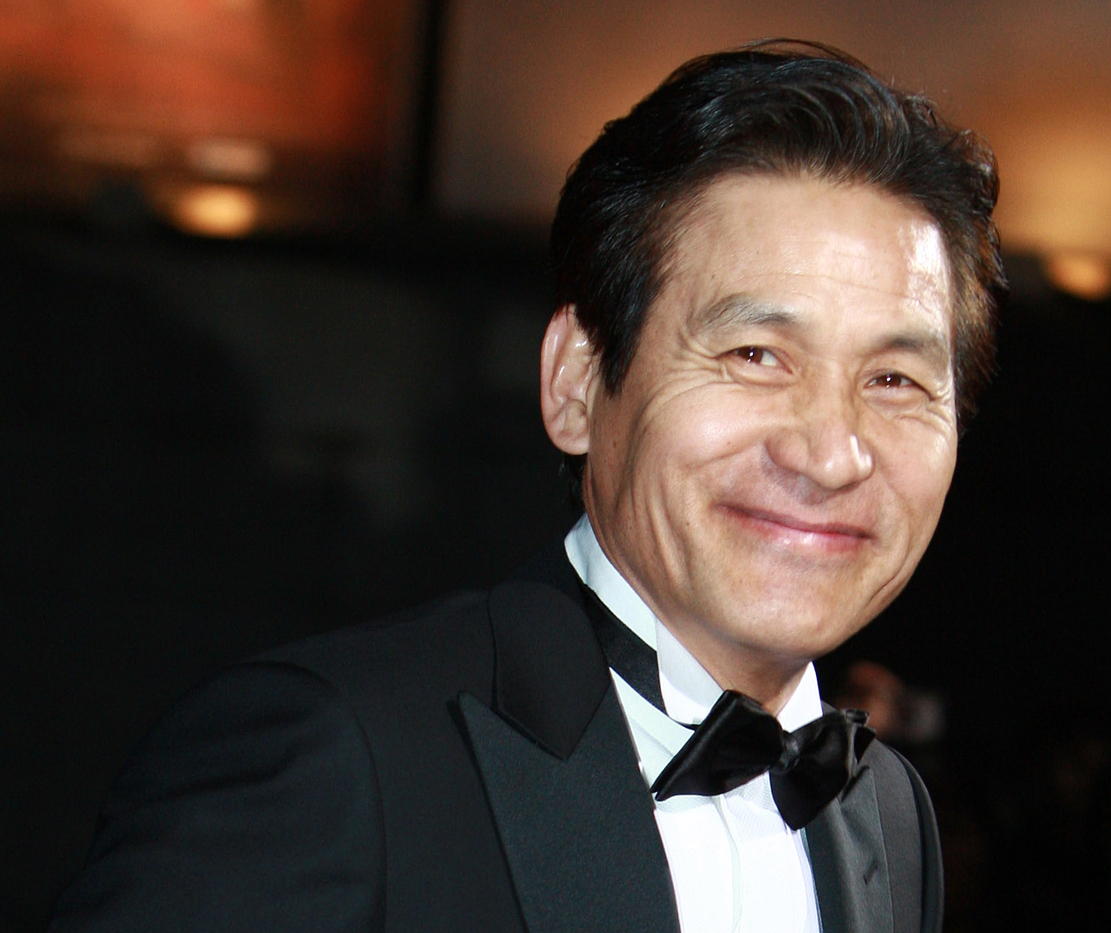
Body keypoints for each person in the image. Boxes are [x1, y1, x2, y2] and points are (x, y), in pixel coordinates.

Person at [48, 39, 1003, 933]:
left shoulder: (889, 815)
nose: (831, 453)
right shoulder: (336, 759)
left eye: (895, 380)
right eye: (755, 355)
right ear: (577, 383)